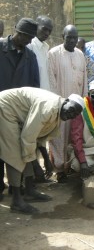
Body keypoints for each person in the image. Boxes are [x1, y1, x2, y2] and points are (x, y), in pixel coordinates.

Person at [0, 87, 84, 214]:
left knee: (26, 149)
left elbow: (38, 137)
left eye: (75, 115)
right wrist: (36, 164)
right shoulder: (48, 107)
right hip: (4, 108)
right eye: (71, 110)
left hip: (15, 113)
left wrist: (45, 159)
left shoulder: (58, 111)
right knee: (15, 153)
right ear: (66, 101)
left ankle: (29, 191)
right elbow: (28, 137)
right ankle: (16, 201)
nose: (71, 115)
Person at [0, 17, 40, 201]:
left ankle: (23, 188)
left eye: (31, 38)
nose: (30, 41)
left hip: (19, 111)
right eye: (27, 37)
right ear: (17, 32)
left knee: (18, 149)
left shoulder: (30, 55)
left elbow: (34, 85)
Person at [48, 24, 88, 182]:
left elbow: (84, 80)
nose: (72, 40)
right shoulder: (53, 54)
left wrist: (84, 101)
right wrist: (56, 103)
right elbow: (51, 80)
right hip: (60, 105)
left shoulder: (80, 54)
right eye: (69, 37)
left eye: (74, 37)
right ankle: (59, 170)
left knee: (75, 136)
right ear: (62, 36)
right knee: (58, 137)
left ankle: (70, 166)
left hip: (77, 106)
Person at [28, 15, 54, 181]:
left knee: (41, 136)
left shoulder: (46, 47)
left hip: (46, 98)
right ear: (36, 27)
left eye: (49, 31)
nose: (47, 33)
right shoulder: (30, 46)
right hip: (32, 99)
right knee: (30, 138)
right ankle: (32, 175)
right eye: (44, 29)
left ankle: (38, 173)